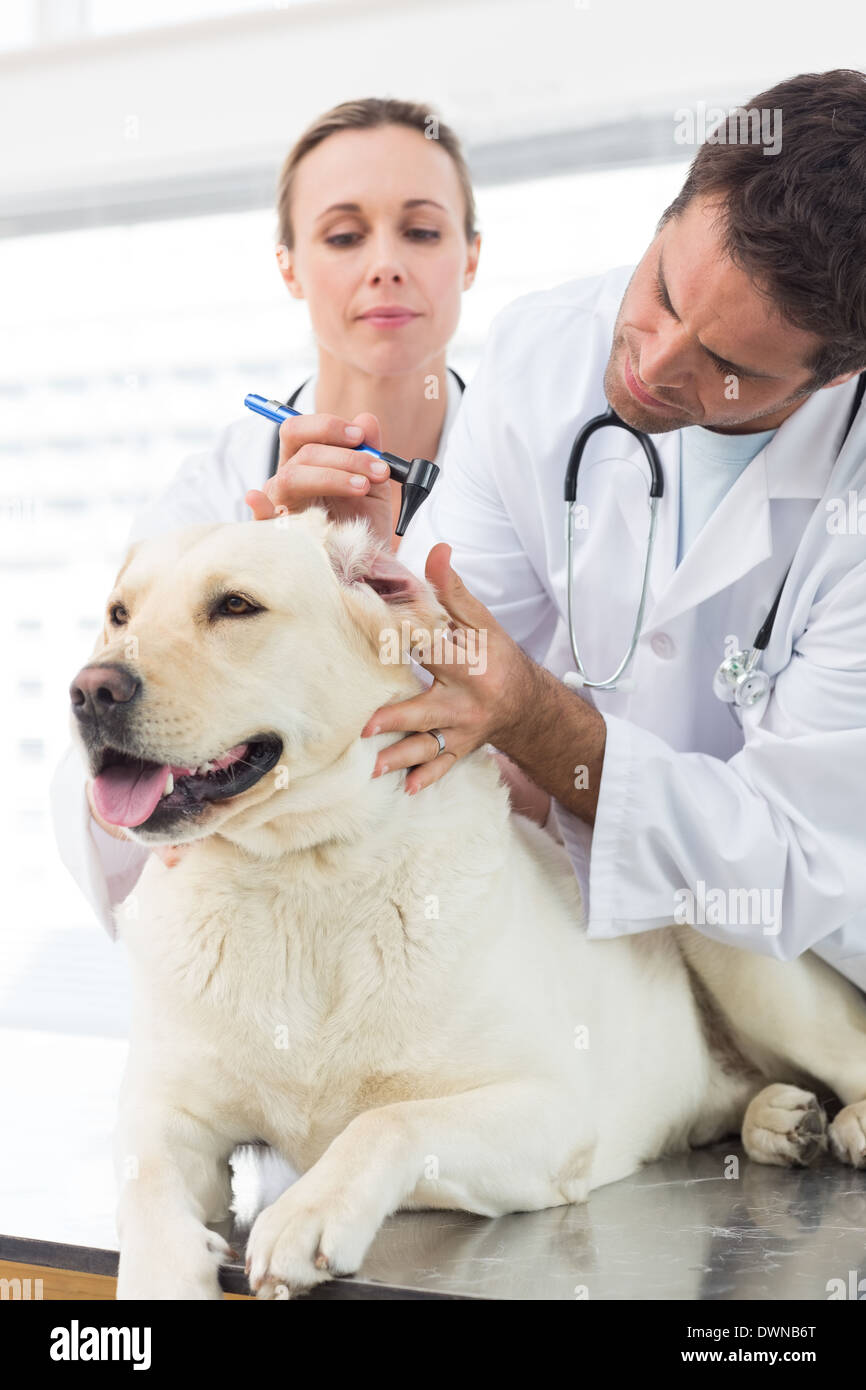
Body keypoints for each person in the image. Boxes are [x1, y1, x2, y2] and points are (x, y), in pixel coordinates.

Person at [258, 70, 866, 994]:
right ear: (670, 212)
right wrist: (349, 575)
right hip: (603, 976)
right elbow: (430, 688)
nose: (652, 363)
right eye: (662, 289)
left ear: (832, 379)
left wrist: (536, 722)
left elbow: (793, 864)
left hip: (822, 983)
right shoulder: (543, 357)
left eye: (727, 364)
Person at [50, 96, 506, 939]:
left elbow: (599, 766)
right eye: (341, 235)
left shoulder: (544, 477)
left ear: (471, 257)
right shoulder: (210, 497)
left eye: (422, 231)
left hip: (476, 936)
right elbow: (109, 786)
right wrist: (276, 558)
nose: (385, 265)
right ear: (289, 266)